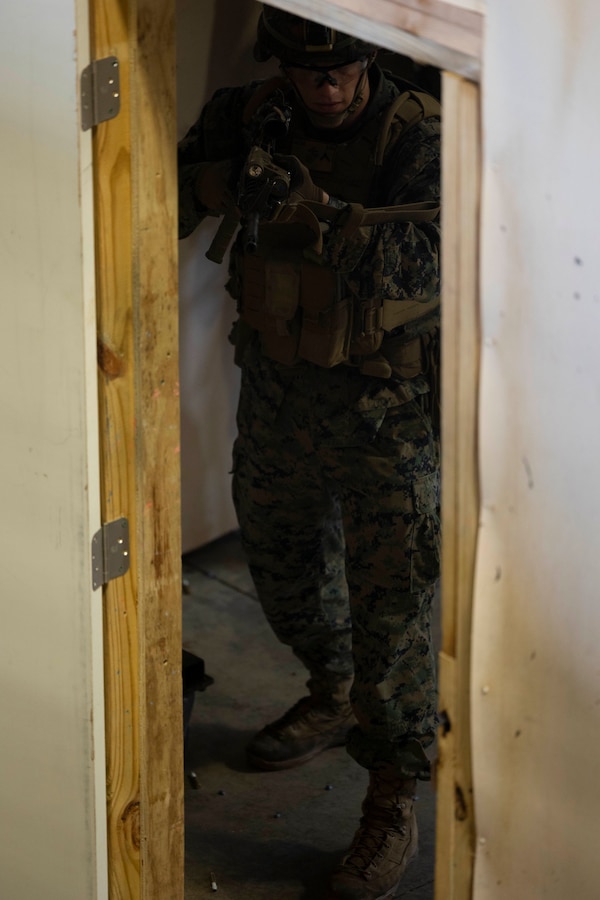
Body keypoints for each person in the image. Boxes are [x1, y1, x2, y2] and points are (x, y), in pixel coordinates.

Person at [178, 7, 441, 898]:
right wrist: (226, 184)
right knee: (285, 578)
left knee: (395, 620)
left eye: (341, 73)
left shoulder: (421, 133)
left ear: (368, 59)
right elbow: (159, 191)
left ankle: (390, 802)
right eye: (306, 72)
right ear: (281, 64)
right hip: (281, 405)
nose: (325, 90)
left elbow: (442, 259)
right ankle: (332, 689)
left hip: (387, 420)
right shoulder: (252, 116)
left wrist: (321, 214)